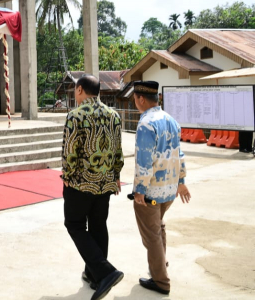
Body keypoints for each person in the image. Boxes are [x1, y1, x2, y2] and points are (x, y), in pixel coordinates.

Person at [61, 74, 125, 300]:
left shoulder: (75, 116)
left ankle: (105, 271)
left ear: (80, 90)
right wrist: (116, 175)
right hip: (106, 182)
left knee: (75, 225)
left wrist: (67, 176)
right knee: (98, 226)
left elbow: (70, 152)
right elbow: (118, 150)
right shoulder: (114, 115)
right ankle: (94, 275)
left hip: (80, 184)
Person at [132, 80, 191, 296]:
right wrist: (182, 182)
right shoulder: (171, 120)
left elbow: (144, 161)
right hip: (169, 191)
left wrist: (139, 189)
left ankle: (161, 281)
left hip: (151, 192)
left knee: (151, 235)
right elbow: (179, 154)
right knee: (159, 227)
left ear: (140, 98)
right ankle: (160, 265)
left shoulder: (146, 123)